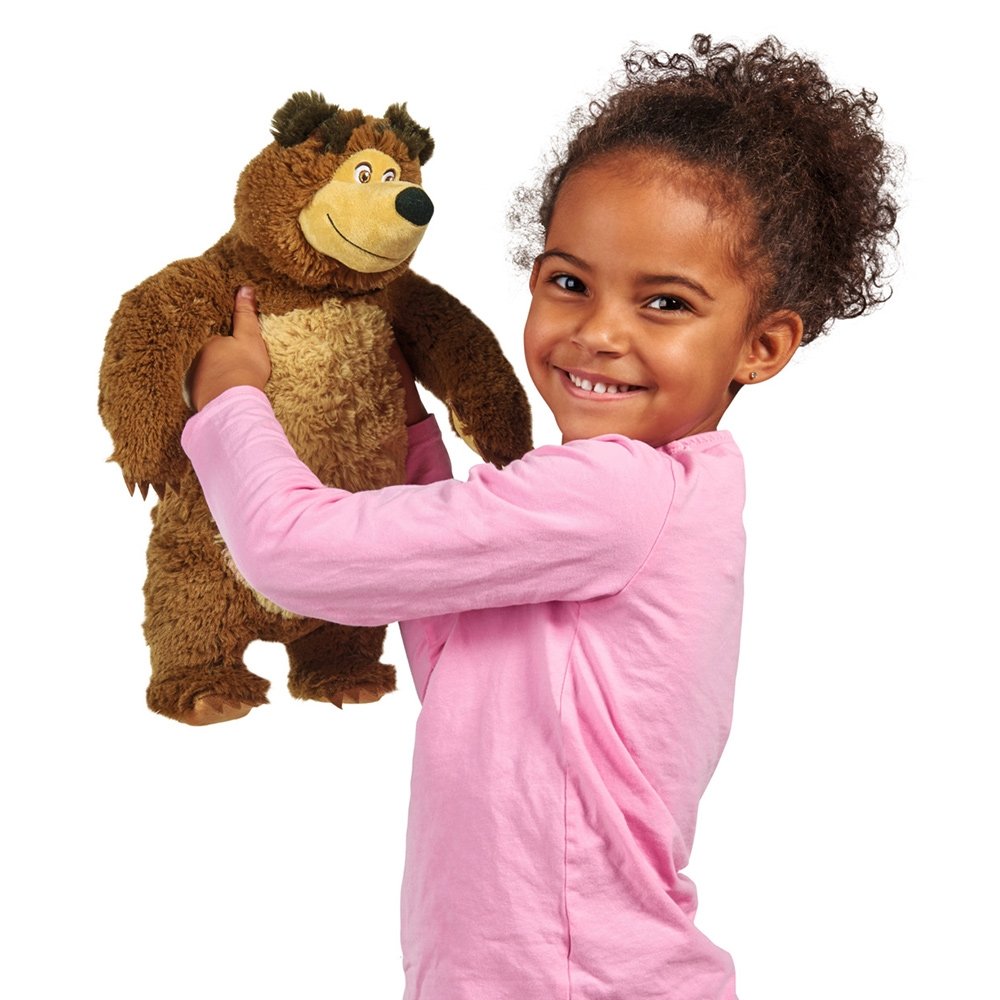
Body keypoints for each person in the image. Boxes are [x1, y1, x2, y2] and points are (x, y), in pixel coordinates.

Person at [181, 34, 898, 1000]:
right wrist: (400, 413)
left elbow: (294, 555)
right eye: (569, 282)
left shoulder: (618, 494)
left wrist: (229, 402)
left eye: (665, 302)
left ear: (761, 347)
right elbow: (456, 652)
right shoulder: (613, 505)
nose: (599, 331)